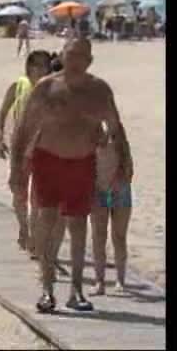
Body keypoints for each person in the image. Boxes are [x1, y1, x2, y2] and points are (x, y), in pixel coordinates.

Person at [9, 38, 133, 313]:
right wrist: (17, 170)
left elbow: (115, 127)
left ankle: (76, 290)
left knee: (78, 226)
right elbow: (24, 128)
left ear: (89, 61)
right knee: (47, 221)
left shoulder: (99, 91)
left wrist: (125, 162)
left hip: (82, 162)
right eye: (71, 54)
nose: (75, 60)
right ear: (63, 56)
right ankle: (47, 288)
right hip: (47, 161)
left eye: (81, 56)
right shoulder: (47, 88)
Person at [0, 50, 55, 257]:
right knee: (18, 193)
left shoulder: (52, 89)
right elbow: (3, 113)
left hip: (42, 148)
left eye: (43, 65)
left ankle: (35, 242)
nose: (39, 69)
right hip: (19, 147)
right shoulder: (18, 85)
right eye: (35, 65)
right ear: (28, 67)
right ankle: (23, 228)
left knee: (38, 197)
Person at [90, 122, 133, 295]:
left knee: (119, 236)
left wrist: (119, 179)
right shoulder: (89, 133)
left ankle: (120, 281)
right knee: (98, 237)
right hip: (98, 190)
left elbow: (129, 167)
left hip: (119, 190)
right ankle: (99, 281)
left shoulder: (117, 132)